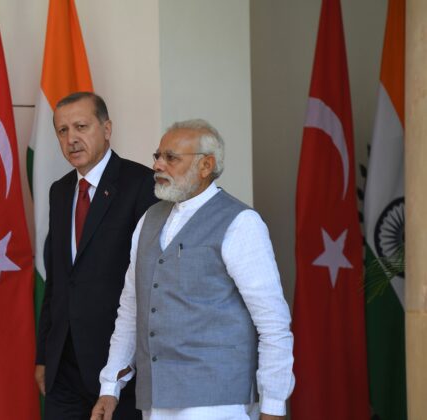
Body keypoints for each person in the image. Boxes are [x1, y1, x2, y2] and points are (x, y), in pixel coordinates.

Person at [90, 119, 295, 420]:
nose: (157, 165)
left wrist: (273, 406)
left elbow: (272, 322)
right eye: (157, 156)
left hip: (218, 402)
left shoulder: (241, 223)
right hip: (155, 401)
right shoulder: (148, 219)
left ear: (206, 165)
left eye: (171, 157)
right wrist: (110, 386)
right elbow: (131, 309)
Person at [36, 92, 158, 420]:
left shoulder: (141, 184)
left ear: (106, 129)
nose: (71, 139)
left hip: (119, 366)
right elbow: (57, 280)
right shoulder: (60, 191)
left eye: (81, 126)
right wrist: (44, 355)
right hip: (64, 365)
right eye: (62, 131)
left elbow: (150, 280)